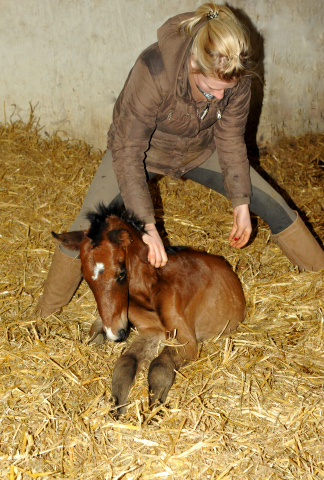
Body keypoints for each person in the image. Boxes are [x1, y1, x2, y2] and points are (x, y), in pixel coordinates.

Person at [35, 2, 324, 319]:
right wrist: (147, 225)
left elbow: (229, 138)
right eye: (212, 89)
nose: (221, 97)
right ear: (192, 63)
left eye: (228, 90)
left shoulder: (236, 77)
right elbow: (129, 148)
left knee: (273, 204)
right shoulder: (155, 69)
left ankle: (320, 279)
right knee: (86, 228)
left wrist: (241, 202)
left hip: (201, 149)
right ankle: (43, 318)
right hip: (143, 152)